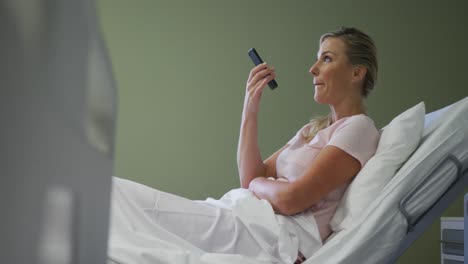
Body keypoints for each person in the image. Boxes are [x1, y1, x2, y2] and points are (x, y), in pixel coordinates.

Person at [108, 27, 380, 264]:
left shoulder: (358, 128)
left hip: (273, 235)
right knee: (119, 203)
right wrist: (250, 107)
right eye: (317, 58)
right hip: (244, 216)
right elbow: (250, 177)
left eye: (327, 58)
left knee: (120, 203)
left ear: (356, 72)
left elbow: (291, 199)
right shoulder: (312, 130)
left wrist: (258, 186)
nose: (313, 68)